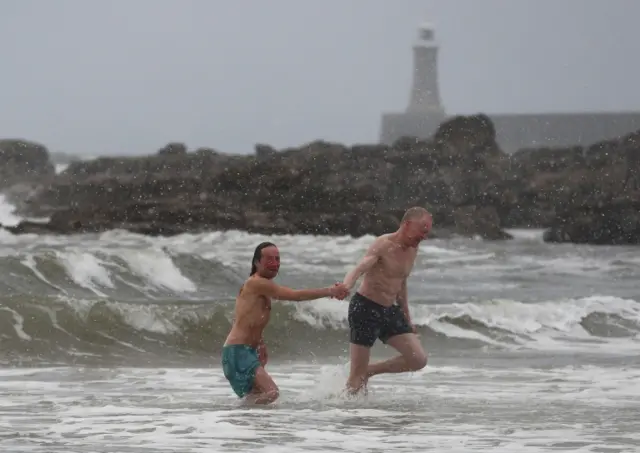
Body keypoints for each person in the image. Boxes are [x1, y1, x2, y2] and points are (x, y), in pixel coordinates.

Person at [221, 241, 349, 405]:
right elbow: (295, 295)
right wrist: (330, 291)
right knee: (271, 393)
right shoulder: (256, 282)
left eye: (277, 259)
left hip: (245, 352)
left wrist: (259, 342)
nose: (275, 264)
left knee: (256, 398)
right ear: (256, 262)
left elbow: (243, 317)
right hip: (238, 353)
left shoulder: (260, 286)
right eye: (269, 259)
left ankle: (243, 424)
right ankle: (236, 415)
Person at [342, 207, 432, 394]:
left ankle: (371, 371)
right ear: (407, 225)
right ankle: (346, 415)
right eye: (422, 230)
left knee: (418, 359)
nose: (424, 236)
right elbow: (361, 267)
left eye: (427, 231)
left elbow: (401, 282)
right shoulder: (383, 244)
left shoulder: (413, 249)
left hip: (390, 310)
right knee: (355, 377)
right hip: (365, 308)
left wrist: (407, 316)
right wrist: (346, 285)